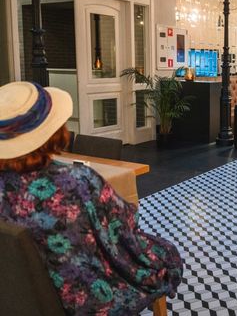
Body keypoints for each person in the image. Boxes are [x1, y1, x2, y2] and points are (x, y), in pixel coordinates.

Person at [0, 81, 182, 314]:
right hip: (81, 296)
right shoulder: (77, 181)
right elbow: (123, 224)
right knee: (165, 252)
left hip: (17, 291)